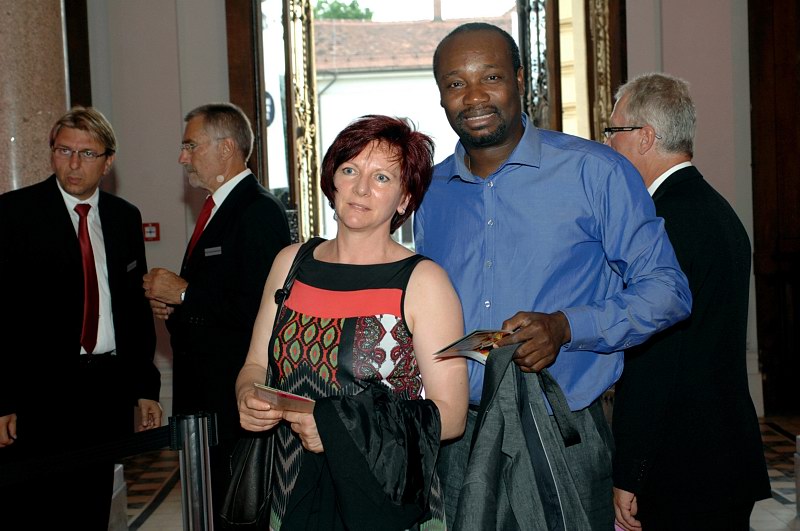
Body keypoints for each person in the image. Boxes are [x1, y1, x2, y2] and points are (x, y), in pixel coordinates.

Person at [413, 23, 693, 529]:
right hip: (457, 437)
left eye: (491, 77)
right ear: (440, 95)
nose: (473, 97)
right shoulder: (430, 194)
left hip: (564, 433)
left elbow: (668, 291)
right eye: (455, 83)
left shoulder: (596, 172)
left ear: (521, 80)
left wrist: (566, 327)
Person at [235, 115, 468, 529]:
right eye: (350, 170)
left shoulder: (423, 282)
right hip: (291, 487)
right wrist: (248, 396)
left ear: (404, 199)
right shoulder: (290, 264)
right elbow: (256, 364)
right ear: (332, 181)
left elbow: (450, 415)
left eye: (382, 177)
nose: (361, 188)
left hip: (382, 499)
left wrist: (338, 430)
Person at [606, 72, 771, 530]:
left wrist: (630, 469)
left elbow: (656, 361)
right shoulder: (715, 208)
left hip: (682, 466)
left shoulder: (661, 223)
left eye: (613, 131)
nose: (607, 144)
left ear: (645, 137)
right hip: (723, 453)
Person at [0, 106, 162, 529]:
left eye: (87, 153)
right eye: (64, 151)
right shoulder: (14, 214)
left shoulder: (124, 217)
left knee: (92, 508)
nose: (73, 164)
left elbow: (134, 310)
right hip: (39, 393)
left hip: (105, 391)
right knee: (38, 509)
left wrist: (145, 388)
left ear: (108, 162)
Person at [142, 102, 291, 526]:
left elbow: (262, 310)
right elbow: (212, 300)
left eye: (191, 145)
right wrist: (174, 305)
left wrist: (184, 293)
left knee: (237, 514)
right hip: (206, 400)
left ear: (226, 148)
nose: (182, 157)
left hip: (233, 401)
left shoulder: (257, 210)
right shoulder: (216, 208)